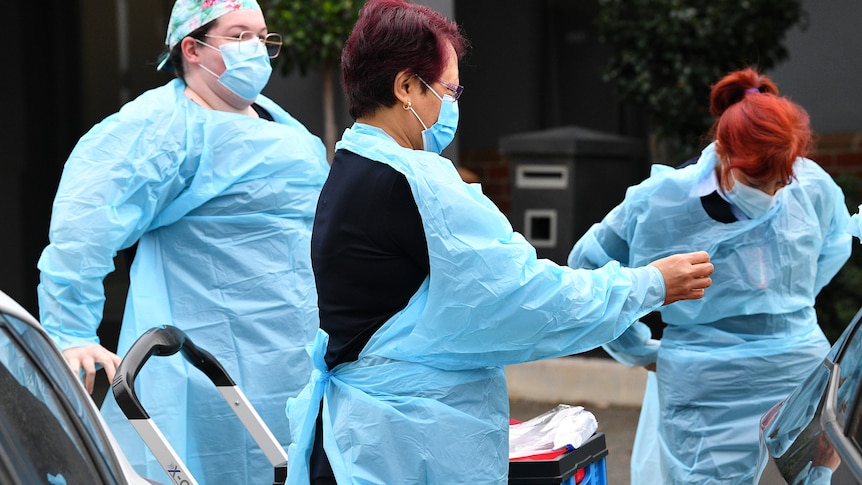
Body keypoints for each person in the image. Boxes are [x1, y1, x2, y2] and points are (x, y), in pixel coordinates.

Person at [284, 1, 714, 483]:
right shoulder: (418, 183)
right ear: (405, 86)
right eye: (448, 89)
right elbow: (527, 298)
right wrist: (649, 284)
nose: (453, 106)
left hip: (361, 440)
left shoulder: (349, 163)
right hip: (405, 446)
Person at [36, 1, 329, 483]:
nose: (256, 49)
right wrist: (71, 334)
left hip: (295, 348)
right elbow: (83, 228)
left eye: (262, 36)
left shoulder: (276, 122)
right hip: (204, 358)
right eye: (238, 36)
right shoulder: (161, 128)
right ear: (192, 47)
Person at [568, 68, 852, 484]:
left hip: (796, 370)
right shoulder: (662, 200)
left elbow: (834, 244)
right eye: (759, 182)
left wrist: (789, 297)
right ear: (723, 154)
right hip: (705, 386)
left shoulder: (811, 186)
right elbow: (588, 267)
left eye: (782, 182)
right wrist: (637, 348)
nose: (773, 194)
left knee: (808, 474)